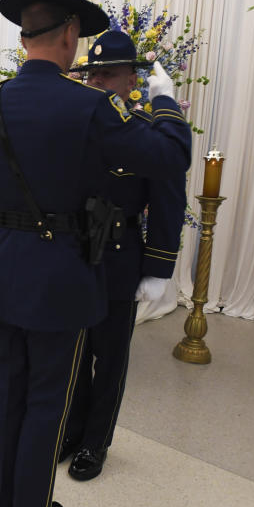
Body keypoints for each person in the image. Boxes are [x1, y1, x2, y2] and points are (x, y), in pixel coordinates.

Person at [0, 0, 191, 507]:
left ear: (25, 35)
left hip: (2, 266)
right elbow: (171, 155)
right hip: (60, 270)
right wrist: (163, 100)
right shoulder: (89, 107)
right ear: (72, 33)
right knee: (48, 395)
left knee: (6, 388)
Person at [59, 30, 187, 481]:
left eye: (107, 74)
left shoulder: (145, 131)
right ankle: (71, 430)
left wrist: (158, 268)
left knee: (109, 354)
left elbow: (169, 200)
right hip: (76, 253)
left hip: (118, 251)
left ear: (133, 79)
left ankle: (96, 442)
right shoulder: (79, 124)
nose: (96, 83)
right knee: (75, 349)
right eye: (91, 74)